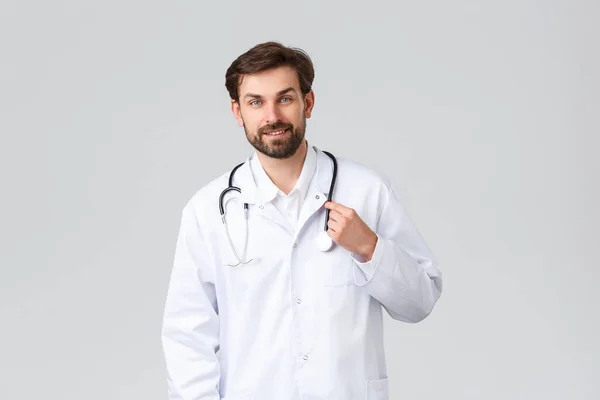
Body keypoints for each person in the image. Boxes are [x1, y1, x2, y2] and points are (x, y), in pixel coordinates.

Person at [161, 41, 443, 400]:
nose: (272, 116)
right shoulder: (206, 212)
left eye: (285, 98)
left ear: (307, 103)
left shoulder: (368, 191)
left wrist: (371, 249)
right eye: (255, 102)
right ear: (237, 111)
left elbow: (419, 303)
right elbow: (187, 337)